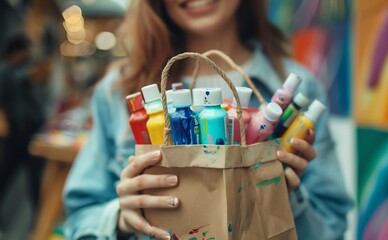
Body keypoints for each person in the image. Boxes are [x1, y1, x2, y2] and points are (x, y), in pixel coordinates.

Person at [63, 0, 353, 239]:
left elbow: (332, 227)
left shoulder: (301, 90)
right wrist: (122, 219)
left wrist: (284, 199)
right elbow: (77, 220)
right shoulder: (117, 92)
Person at [0, 33, 49, 216]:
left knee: (34, 180)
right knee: (6, 176)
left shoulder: (20, 69)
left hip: (30, 132)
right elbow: (21, 78)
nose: (27, 53)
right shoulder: (7, 71)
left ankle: (39, 220)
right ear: (17, 51)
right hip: (17, 133)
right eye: (25, 50)